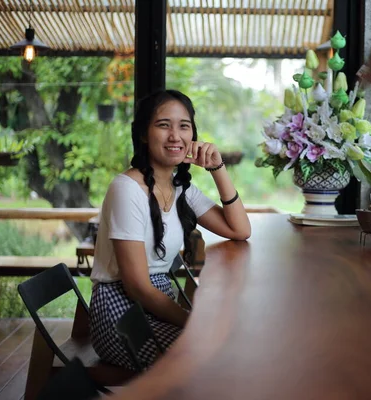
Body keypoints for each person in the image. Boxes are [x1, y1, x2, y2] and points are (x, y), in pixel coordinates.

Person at [89, 89, 251, 370]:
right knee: (211, 360)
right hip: (122, 315)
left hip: (159, 304)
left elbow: (239, 230)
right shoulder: (126, 190)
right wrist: (193, 322)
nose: (175, 136)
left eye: (184, 126)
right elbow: (138, 288)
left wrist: (217, 167)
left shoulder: (180, 188)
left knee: (231, 348)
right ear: (143, 134)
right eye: (164, 125)